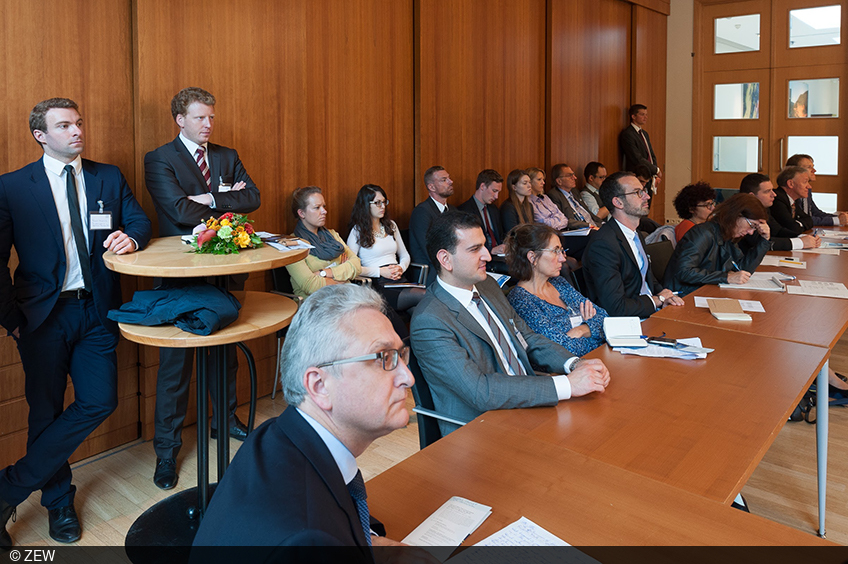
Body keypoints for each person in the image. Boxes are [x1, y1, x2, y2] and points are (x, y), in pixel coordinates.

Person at [0, 98, 151, 546]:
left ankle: (9, 486)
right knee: (44, 411)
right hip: (40, 317)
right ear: (41, 135)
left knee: (100, 400)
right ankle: (58, 501)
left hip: (96, 309)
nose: (77, 131)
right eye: (64, 125)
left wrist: (132, 236)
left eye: (79, 123)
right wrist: (11, 319)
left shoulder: (107, 175)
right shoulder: (12, 186)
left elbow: (140, 220)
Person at [192, 284, 426, 559]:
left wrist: (370, 542)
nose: (407, 377)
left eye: (400, 354)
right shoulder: (307, 542)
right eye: (384, 358)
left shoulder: (278, 435)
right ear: (319, 386)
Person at [144, 87, 260, 490]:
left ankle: (224, 420)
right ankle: (166, 452)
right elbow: (177, 210)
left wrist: (209, 195)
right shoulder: (160, 158)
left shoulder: (226, 155)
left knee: (225, 355)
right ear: (180, 119)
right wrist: (227, 200)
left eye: (211, 117)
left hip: (226, 273)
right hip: (183, 277)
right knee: (175, 370)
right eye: (199, 118)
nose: (208, 124)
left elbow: (254, 197)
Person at [409, 211, 610, 437]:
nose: (487, 255)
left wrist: (573, 364)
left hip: (527, 403)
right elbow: (480, 392)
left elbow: (528, 339)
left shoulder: (488, 287)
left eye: (484, 246)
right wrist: (568, 385)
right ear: (445, 259)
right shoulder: (430, 320)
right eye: (475, 249)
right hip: (482, 429)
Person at [582, 172, 683, 318]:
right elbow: (616, 308)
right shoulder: (603, 245)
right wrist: (657, 300)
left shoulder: (635, 234)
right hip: (631, 323)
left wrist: (667, 297)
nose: (647, 196)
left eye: (644, 191)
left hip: (651, 312)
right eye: (637, 193)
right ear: (618, 202)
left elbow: (647, 279)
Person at [506, 224, 608, 357]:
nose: (563, 258)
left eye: (561, 250)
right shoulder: (521, 301)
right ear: (532, 258)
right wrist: (595, 329)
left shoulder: (558, 283)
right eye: (555, 251)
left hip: (597, 358)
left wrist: (581, 330)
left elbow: (605, 318)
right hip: (569, 372)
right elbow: (562, 350)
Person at [664, 193, 770, 296]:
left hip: (704, 292)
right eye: (752, 225)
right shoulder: (702, 233)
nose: (751, 232)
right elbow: (684, 272)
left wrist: (764, 241)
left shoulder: (727, 234)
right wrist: (725, 277)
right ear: (737, 215)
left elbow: (741, 270)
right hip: (682, 296)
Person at [346, 184, 424, 315]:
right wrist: (380, 272)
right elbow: (351, 267)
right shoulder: (357, 231)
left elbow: (405, 255)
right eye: (377, 203)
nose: (382, 206)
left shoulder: (391, 225)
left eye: (384, 202)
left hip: (398, 279)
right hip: (378, 284)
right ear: (366, 205)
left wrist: (401, 268)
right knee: (425, 296)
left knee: (419, 311)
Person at [287, 186, 362, 299]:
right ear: (302, 213)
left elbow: (356, 265)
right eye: (317, 207)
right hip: (317, 303)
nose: (324, 211)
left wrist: (323, 273)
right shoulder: (292, 245)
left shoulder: (333, 235)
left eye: (324, 206)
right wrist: (342, 277)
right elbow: (310, 285)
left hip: (347, 297)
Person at [738, 173, 819, 251]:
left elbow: (778, 231)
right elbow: (758, 242)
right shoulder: (742, 212)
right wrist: (800, 242)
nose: (774, 194)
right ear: (752, 196)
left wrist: (803, 237)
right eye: (767, 191)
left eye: (772, 190)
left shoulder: (763, 208)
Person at [457, 169, 509, 274]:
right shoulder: (464, 210)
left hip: (499, 258)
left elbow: (499, 234)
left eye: (498, 192)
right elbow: (467, 243)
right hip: (481, 260)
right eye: (494, 191)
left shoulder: (493, 209)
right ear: (482, 186)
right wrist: (491, 249)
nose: (497, 197)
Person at [409, 166, 454, 285]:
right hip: (430, 271)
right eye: (444, 180)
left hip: (449, 265)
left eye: (449, 178)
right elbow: (428, 249)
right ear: (431, 187)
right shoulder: (422, 212)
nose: (450, 182)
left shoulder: (453, 211)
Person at [786, 154, 848, 226]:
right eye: (809, 167)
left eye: (813, 167)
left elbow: (815, 212)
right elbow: (802, 219)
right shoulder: (792, 191)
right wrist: (836, 220)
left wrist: (839, 218)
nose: (814, 170)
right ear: (795, 170)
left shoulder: (807, 189)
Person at [546, 163, 600, 228]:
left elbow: (587, 212)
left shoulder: (575, 191)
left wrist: (602, 223)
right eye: (569, 175)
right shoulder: (554, 195)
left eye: (573, 174)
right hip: (578, 230)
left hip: (592, 226)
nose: (575, 178)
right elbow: (565, 221)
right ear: (559, 181)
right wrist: (589, 226)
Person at [619, 104, 660, 179]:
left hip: (649, 174)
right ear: (633, 116)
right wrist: (655, 170)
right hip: (637, 175)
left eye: (646, 115)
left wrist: (654, 171)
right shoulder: (628, 134)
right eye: (642, 114)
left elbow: (651, 154)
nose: (645, 117)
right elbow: (636, 157)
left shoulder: (644, 133)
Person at [771, 166, 813, 236]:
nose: (809, 187)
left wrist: (798, 224)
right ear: (790, 184)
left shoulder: (792, 200)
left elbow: (809, 220)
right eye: (805, 182)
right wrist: (799, 224)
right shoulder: (777, 199)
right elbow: (793, 228)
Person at [499, 168, 535, 235]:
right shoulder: (508, 207)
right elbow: (512, 234)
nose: (529, 185)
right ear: (514, 187)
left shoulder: (529, 205)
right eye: (524, 183)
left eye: (530, 182)